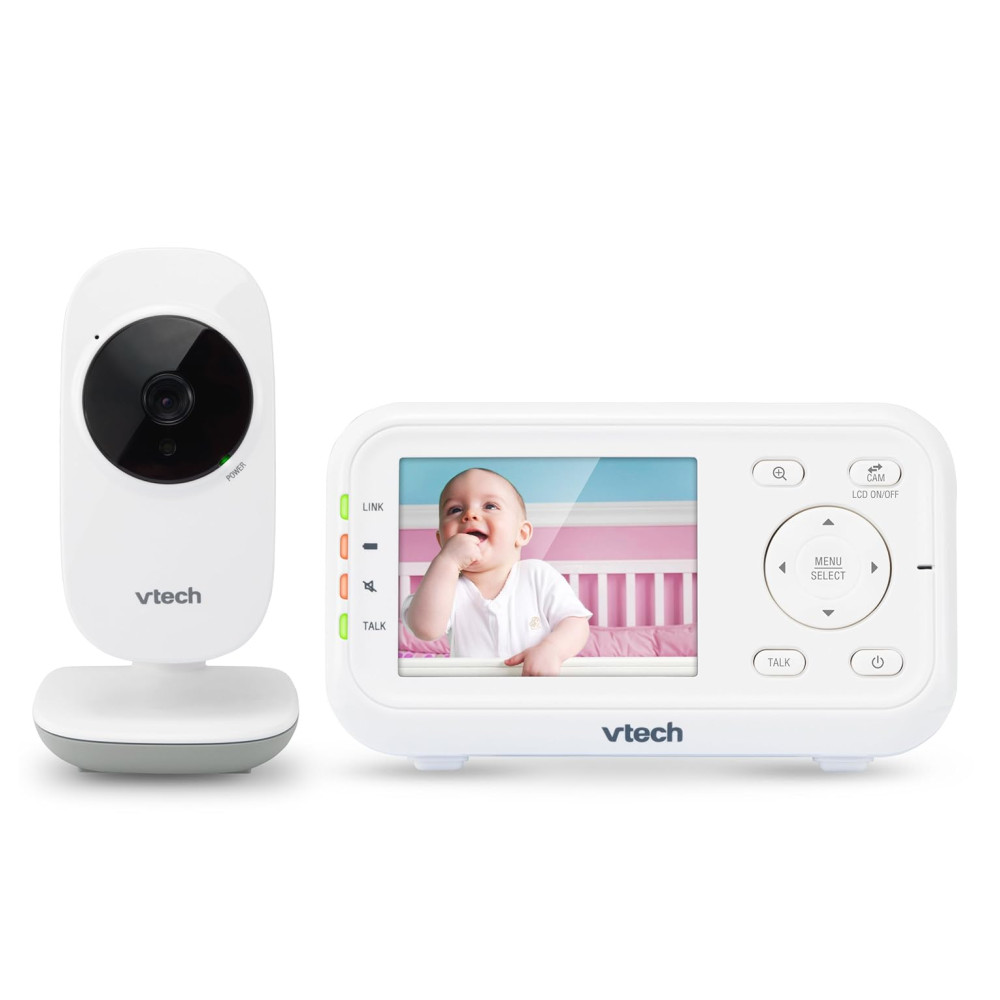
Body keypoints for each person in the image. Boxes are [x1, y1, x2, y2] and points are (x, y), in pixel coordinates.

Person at [402, 468, 591, 675]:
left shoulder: (537, 575)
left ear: (521, 533)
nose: (469, 514)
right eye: (455, 509)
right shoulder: (448, 589)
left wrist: (552, 649)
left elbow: (575, 623)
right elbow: (425, 629)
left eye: (490, 506)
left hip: (534, 686)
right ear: (442, 541)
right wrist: (446, 561)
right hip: (474, 692)